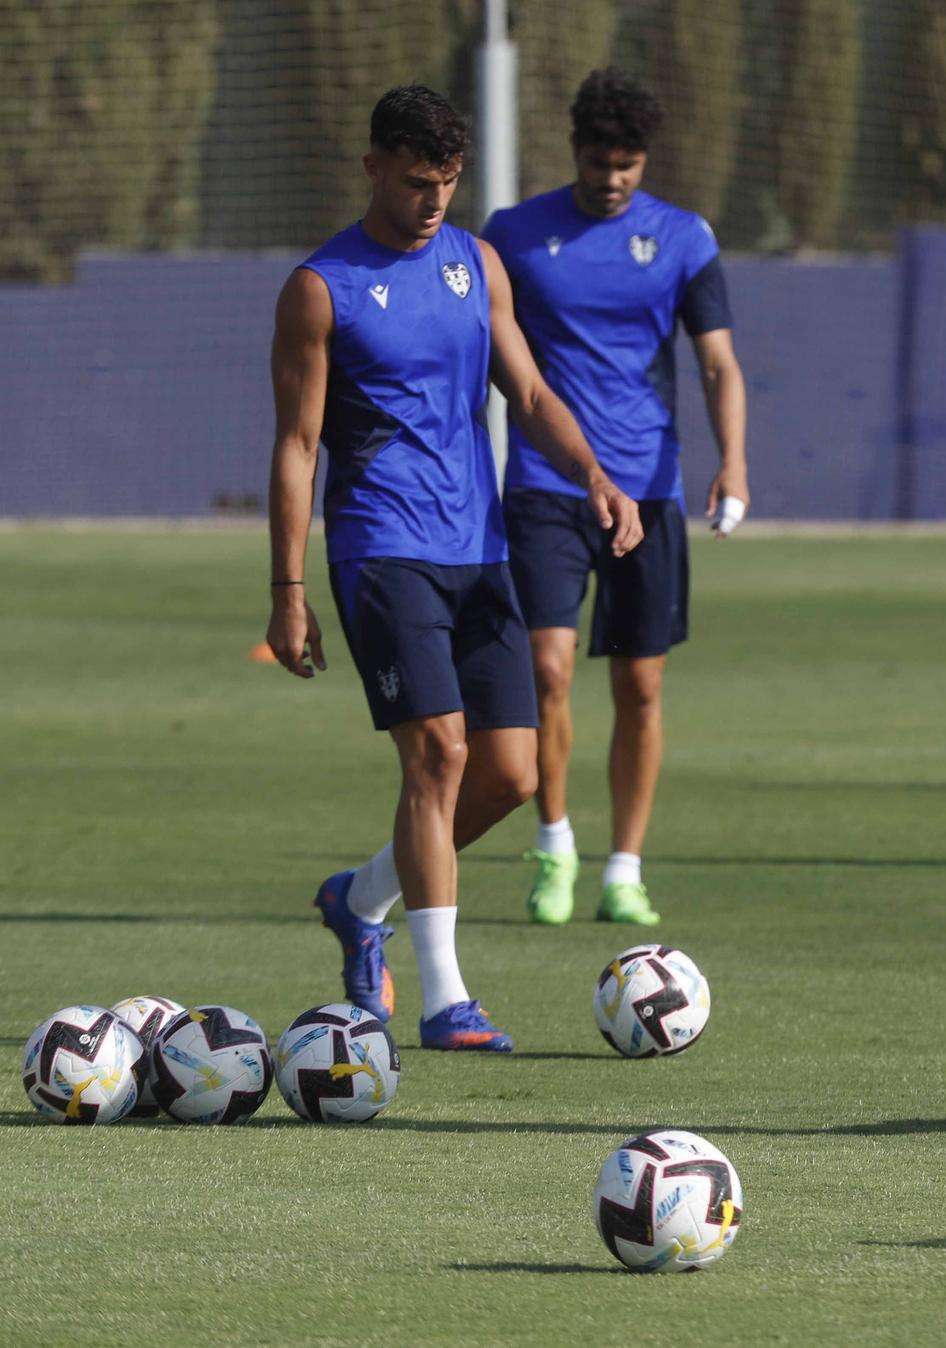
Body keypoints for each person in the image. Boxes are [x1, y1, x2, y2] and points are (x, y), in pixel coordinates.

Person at [265, 86, 641, 1051]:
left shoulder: (477, 263)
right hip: (381, 548)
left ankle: (359, 898)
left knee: (511, 774)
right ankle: (443, 999)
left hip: (481, 550)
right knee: (438, 753)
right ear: (375, 167)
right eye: (418, 181)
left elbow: (527, 386)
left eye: (449, 182)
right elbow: (299, 445)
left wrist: (595, 473)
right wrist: (289, 590)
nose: (435, 200)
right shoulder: (322, 287)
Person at [483, 68, 749, 927]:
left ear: (646, 161)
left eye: (628, 165)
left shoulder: (683, 238)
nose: (612, 179)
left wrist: (733, 461)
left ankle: (624, 869)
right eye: (600, 162)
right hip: (544, 486)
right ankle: (555, 845)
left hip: (652, 489)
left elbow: (716, 361)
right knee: (548, 669)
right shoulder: (515, 236)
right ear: (576, 152)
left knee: (639, 685)